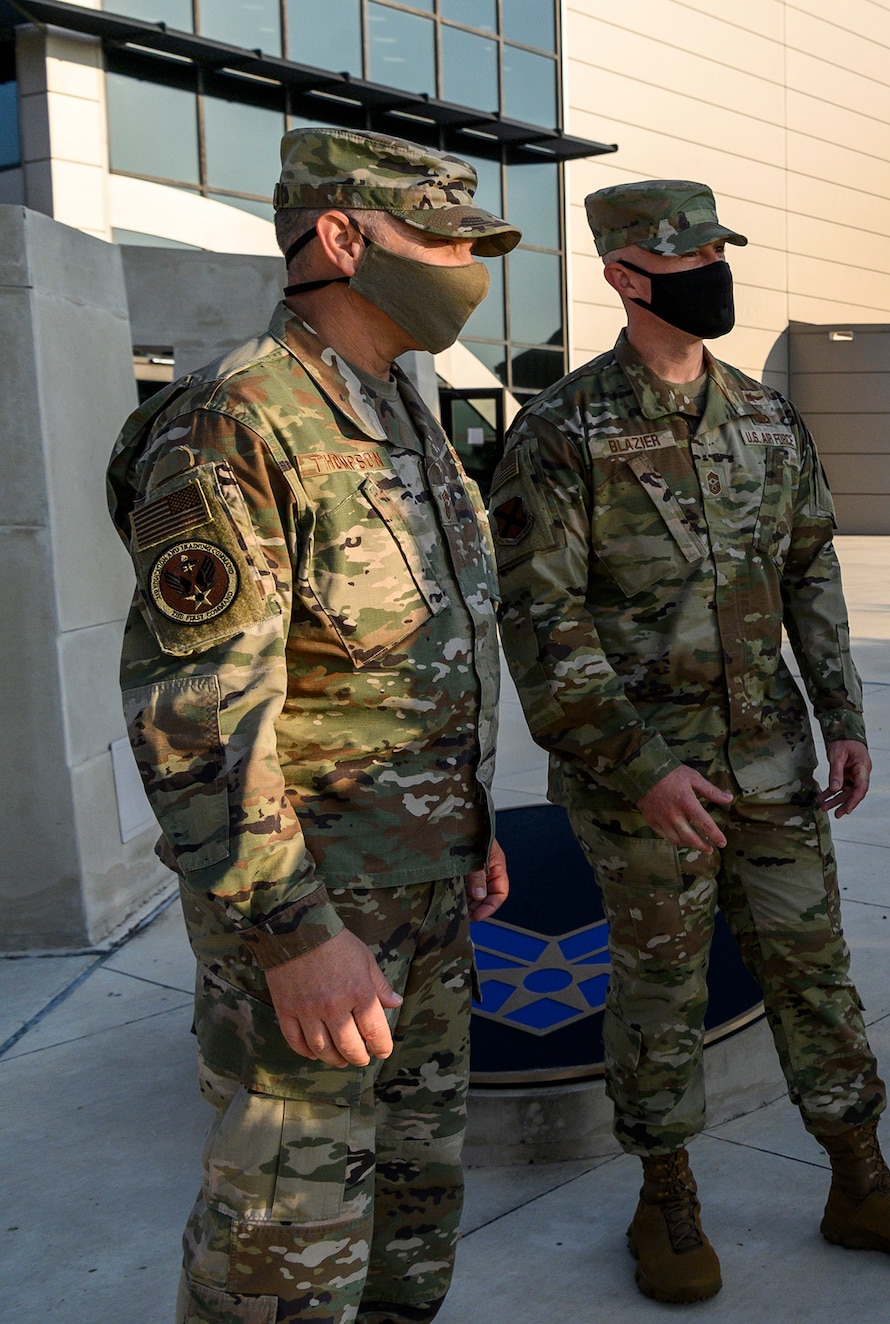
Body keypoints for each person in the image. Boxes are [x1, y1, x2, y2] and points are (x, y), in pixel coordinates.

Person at [489, 180, 890, 1305]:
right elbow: (542, 626)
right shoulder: (560, 436)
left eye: (716, 248)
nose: (711, 269)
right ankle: (664, 1197)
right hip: (644, 786)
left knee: (818, 974)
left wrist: (843, 716)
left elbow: (810, 567)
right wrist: (637, 765)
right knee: (660, 990)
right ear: (622, 275)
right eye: (684, 256)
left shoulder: (764, 417)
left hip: (773, 764)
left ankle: (858, 1180)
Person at [106, 127, 516, 1324]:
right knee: (281, 1260)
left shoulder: (404, 415)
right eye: (439, 237)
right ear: (340, 238)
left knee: (408, 1227)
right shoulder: (239, 419)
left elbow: (417, 662)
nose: (465, 262)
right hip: (317, 930)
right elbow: (195, 719)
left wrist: (466, 824)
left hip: (426, 908)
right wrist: (292, 935)